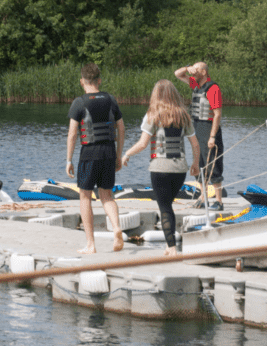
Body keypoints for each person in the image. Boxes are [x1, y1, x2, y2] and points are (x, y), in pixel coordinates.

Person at [121, 79, 200, 256]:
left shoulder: (153, 115)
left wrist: (127, 154)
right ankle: (169, 245)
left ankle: (171, 247)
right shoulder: (184, 116)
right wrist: (195, 164)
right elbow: (195, 144)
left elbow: (143, 144)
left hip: (160, 168)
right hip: (180, 169)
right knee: (168, 206)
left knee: (164, 208)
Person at [66, 63, 126, 254]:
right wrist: (118, 155)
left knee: (85, 196)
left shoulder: (79, 102)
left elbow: (72, 134)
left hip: (89, 153)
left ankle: (91, 244)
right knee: (106, 195)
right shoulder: (111, 99)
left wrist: (69, 160)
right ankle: (116, 227)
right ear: (99, 81)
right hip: (109, 151)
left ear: (82, 81)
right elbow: (121, 128)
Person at [174, 61, 224, 208]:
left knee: (213, 164)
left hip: (209, 128)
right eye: (193, 69)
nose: (193, 72)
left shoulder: (213, 88)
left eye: (196, 69)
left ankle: (219, 201)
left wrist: (212, 136)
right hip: (196, 127)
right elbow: (177, 74)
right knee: (199, 163)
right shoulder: (195, 85)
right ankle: (203, 198)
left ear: (203, 72)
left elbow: (217, 114)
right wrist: (188, 67)